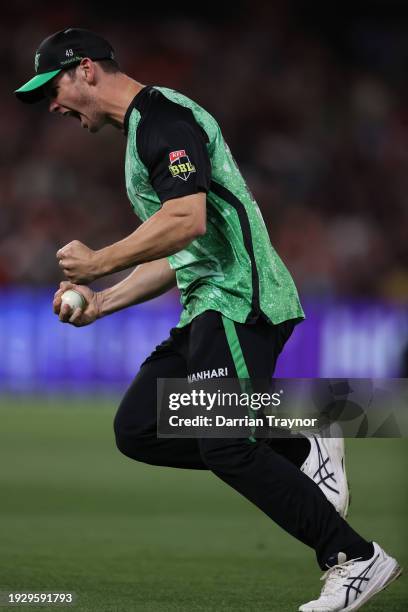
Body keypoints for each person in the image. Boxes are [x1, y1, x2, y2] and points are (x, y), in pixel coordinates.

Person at [15, 27, 401, 611]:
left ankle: (352, 557)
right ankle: (300, 446)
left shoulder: (163, 120)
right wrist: (105, 300)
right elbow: (182, 251)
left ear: (87, 69)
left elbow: (187, 219)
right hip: (207, 303)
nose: (53, 103)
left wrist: (98, 261)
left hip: (240, 298)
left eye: (55, 84)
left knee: (225, 443)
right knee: (140, 428)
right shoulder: (145, 132)